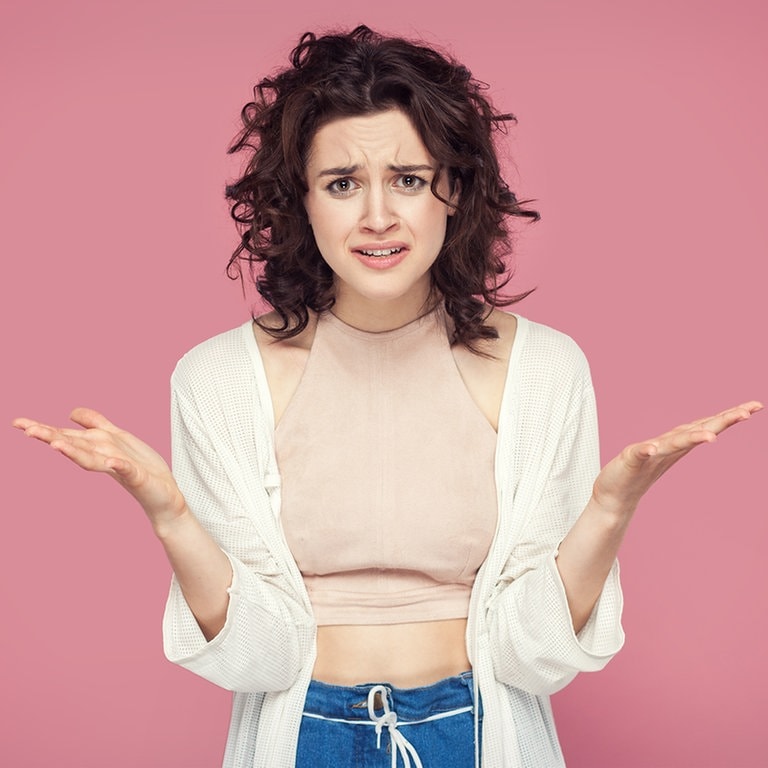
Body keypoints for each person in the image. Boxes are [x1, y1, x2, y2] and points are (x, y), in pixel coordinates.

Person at [12, 25, 760, 768]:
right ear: (302, 201)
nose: (377, 217)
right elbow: (260, 658)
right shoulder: (219, 380)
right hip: (303, 736)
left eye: (407, 178)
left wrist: (610, 508)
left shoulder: (543, 371)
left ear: (454, 189)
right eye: (343, 184)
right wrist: (169, 513)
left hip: (475, 735)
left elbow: (533, 661)